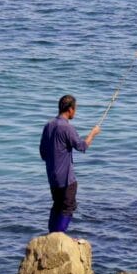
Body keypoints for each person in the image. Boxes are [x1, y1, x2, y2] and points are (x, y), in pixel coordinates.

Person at [40, 95, 101, 233]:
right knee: (68, 207)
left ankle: (51, 236)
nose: (75, 112)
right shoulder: (67, 128)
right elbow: (82, 146)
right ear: (70, 109)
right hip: (66, 179)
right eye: (75, 109)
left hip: (52, 177)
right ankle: (59, 236)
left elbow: (43, 153)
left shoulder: (48, 126)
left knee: (57, 206)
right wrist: (93, 133)